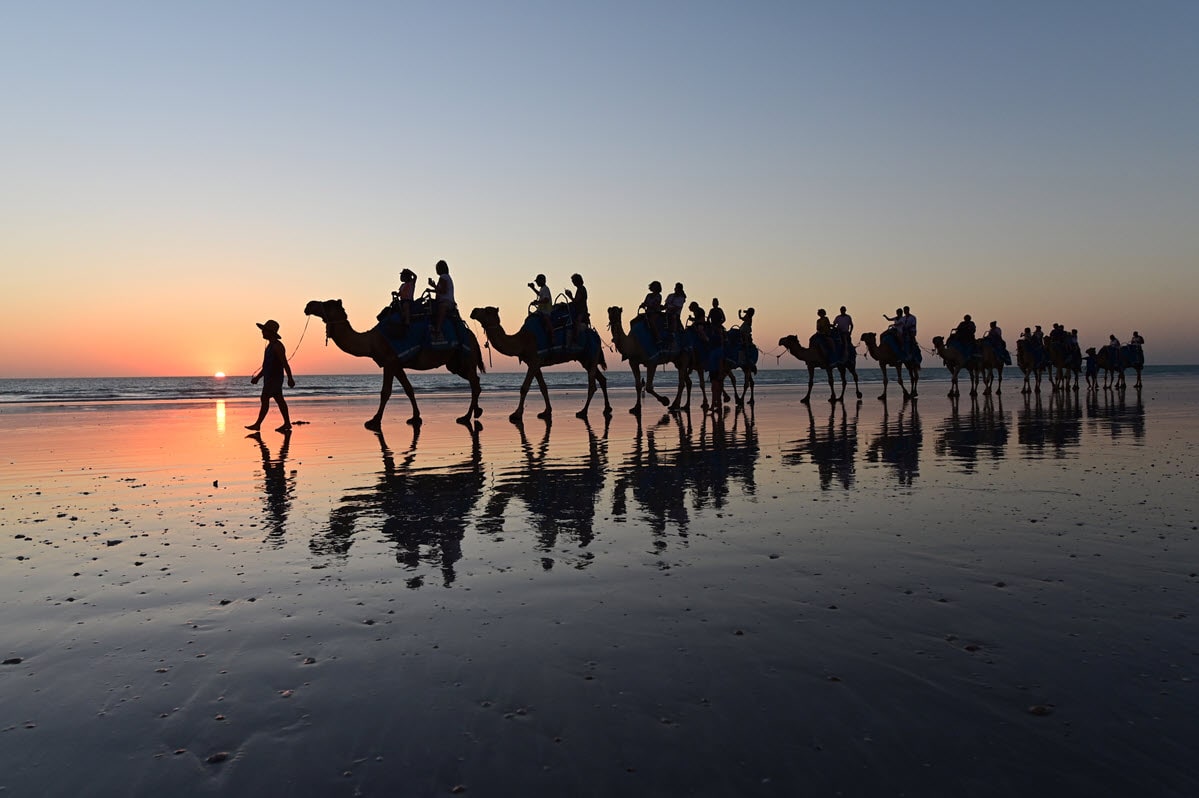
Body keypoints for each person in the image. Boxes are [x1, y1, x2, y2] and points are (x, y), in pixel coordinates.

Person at [246, 319, 295, 433]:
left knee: (265, 398)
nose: (262, 333)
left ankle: (258, 424)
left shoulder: (277, 346)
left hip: (274, 379)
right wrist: (258, 378)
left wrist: (290, 378)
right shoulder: (270, 346)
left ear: (270, 332)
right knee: (279, 400)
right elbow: (266, 367)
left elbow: (285, 363)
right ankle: (287, 423)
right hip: (270, 379)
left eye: (264, 331)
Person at [428, 260, 455, 341]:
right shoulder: (445, 277)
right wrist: (433, 286)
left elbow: (443, 291)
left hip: (446, 302)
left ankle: (438, 329)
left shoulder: (443, 277)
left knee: (441, 309)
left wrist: (432, 288)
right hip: (443, 300)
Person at [563, 273, 590, 347]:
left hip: (581, 311)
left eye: (573, 281)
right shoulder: (580, 289)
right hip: (578, 311)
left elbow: (576, 301)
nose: (573, 283)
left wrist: (570, 296)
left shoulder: (581, 289)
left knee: (576, 323)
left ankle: (575, 340)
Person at [528, 273, 553, 344]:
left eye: (538, 281)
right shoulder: (542, 289)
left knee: (546, 319)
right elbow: (539, 294)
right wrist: (532, 288)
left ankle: (552, 335)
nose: (537, 283)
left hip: (546, 310)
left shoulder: (545, 289)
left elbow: (546, 299)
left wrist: (537, 302)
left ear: (542, 281)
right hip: (541, 310)